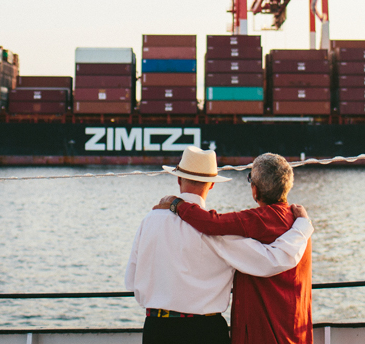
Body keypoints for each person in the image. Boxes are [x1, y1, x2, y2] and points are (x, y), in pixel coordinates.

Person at [125, 146, 313, 344]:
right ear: (211, 185)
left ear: (178, 179)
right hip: (204, 331)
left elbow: (131, 281)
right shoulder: (220, 235)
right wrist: (303, 226)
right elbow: (271, 261)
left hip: (156, 329)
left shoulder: (149, 220)